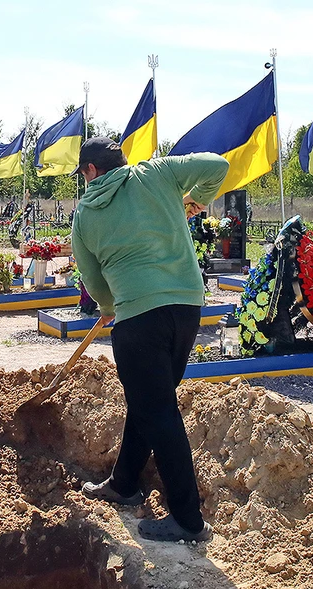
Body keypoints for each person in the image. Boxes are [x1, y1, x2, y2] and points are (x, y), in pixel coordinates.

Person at [71, 137, 229, 543]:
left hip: (138, 316)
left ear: (90, 171)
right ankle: (124, 484)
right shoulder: (156, 173)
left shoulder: (86, 215)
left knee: (158, 410)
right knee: (148, 402)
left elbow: (94, 283)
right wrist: (194, 200)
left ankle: (188, 520)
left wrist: (110, 305)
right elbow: (217, 165)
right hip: (187, 307)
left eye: (82, 174)